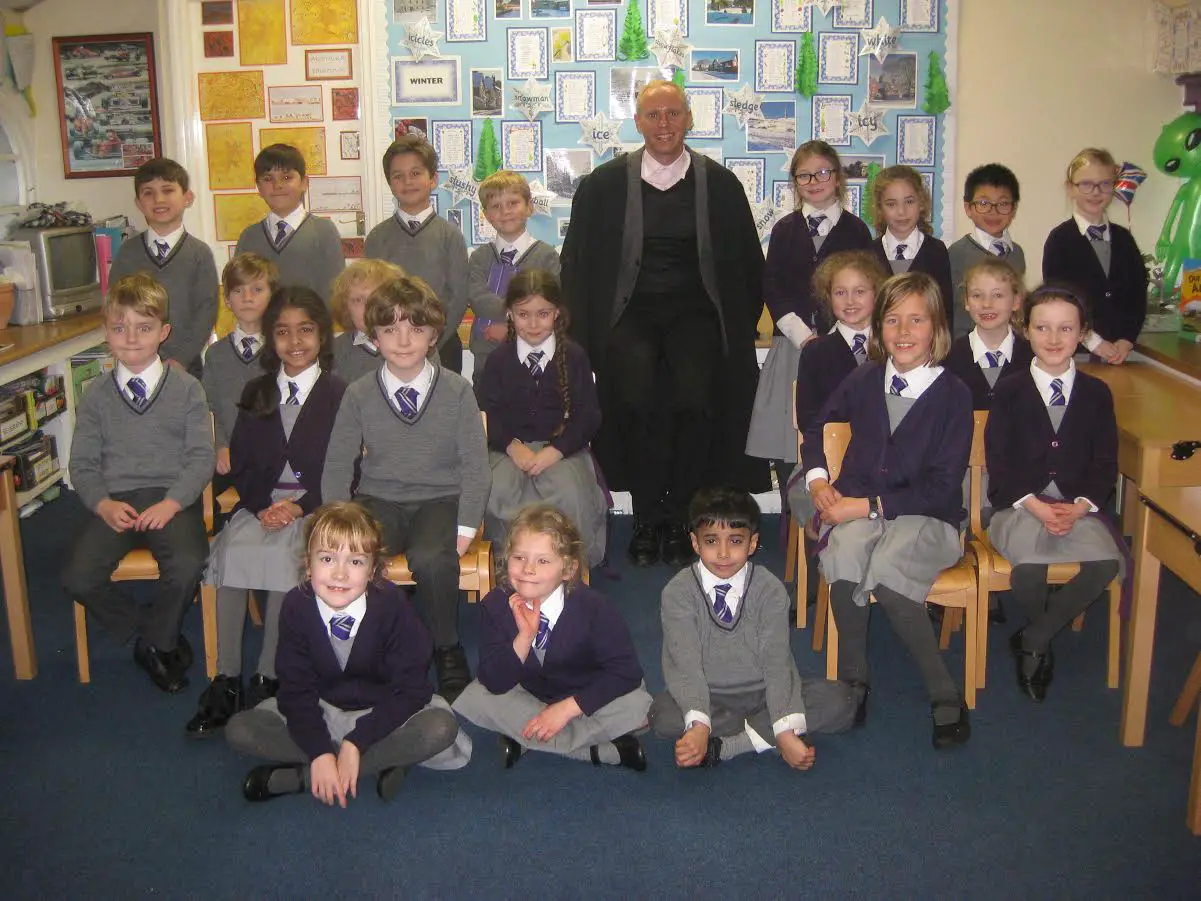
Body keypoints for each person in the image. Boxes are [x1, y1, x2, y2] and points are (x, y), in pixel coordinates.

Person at [561, 80, 767, 569]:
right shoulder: (605, 185)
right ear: (637, 122)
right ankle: (647, 518)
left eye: (674, 113)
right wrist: (583, 340)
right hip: (629, 317)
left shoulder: (719, 185)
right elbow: (578, 265)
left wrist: (736, 332)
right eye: (653, 115)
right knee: (637, 401)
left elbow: (747, 266)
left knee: (694, 403)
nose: (665, 124)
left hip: (696, 315)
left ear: (689, 119)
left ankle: (681, 518)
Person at [802, 271, 973, 749]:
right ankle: (856, 680)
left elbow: (941, 486)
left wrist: (871, 505)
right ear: (878, 329)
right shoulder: (865, 377)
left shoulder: (954, 394)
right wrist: (818, 481)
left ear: (937, 328)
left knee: (894, 579)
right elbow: (817, 429)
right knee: (843, 562)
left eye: (916, 320)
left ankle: (944, 692)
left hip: (927, 515)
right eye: (892, 320)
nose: (902, 332)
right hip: (860, 507)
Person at [225, 502, 471, 804]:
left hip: (384, 712)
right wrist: (319, 750)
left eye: (355, 562)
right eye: (327, 558)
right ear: (308, 563)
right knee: (240, 729)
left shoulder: (392, 606)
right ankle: (379, 762)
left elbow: (411, 690)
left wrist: (356, 743)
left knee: (440, 728)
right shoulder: (296, 607)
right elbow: (296, 690)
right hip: (324, 711)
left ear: (372, 571)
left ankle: (306, 777)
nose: (339, 574)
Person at [186, 287, 347, 736]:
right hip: (261, 504)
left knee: (283, 559)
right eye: (282, 332)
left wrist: (298, 507)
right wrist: (261, 507)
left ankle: (267, 676)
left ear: (323, 336)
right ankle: (225, 678)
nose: (294, 341)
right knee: (233, 551)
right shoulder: (257, 391)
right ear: (269, 338)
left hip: (315, 506)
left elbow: (344, 465)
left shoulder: (339, 393)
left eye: (305, 330)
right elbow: (242, 461)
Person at [321, 275, 490, 702]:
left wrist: (468, 524)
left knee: (433, 559)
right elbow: (339, 461)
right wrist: (335, 518)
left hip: (440, 499)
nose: (402, 340)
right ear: (373, 336)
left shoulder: (457, 391)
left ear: (434, 335)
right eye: (390, 329)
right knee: (359, 552)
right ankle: (370, 650)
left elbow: (475, 464)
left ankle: (446, 647)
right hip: (379, 499)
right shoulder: (358, 393)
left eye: (415, 329)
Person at [62, 273, 213, 693]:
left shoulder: (187, 390)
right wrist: (102, 504)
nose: (131, 337)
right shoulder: (95, 395)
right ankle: (153, 635)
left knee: (186, 565)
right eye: (119, 327)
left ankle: (154, 643)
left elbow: (200, 457)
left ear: (163, 333)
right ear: (106, 332)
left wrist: (172, 502)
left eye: (143, 327)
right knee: (77, 577)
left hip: (170, 500)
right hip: (115, 502)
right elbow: (84, 464)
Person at [649, 487, 856, 768]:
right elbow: (685, 665)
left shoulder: (768, 589)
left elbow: (777, 662)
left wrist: (783, 727)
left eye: (735, 541)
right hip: (710, 696)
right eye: (711, 541)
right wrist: (698, 721)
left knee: (841, 701)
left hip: (764, 694)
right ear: (695, 544)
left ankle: (729, 746)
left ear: (752, 544)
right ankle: (758, 731)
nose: (723, 553)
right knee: (661, 716)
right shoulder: (678, 592)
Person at [985, 284, 1123, 702]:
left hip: (1078, 508)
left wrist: (1081, 506)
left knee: (1104, 564)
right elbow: (1000, 462)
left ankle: (1035, 639)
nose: (1054, 338)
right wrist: (1035, 506)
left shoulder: (1097, 394)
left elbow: (1105, 463)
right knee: (1028, 570)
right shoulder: (1008, 390)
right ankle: (1038, 643)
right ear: (1025, 330)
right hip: (1019, 506)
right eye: (1042, 328)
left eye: (1066, 328)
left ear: (1082, 334)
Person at [453, 504, 651, 770]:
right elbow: (495, 681)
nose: (528, 569)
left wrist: (567, 709)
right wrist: (524, 638)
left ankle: (528, 738)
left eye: (543, 561)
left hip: (584, 695)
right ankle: (602, 752)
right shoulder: (496, 604)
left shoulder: (595, 608)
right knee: (478, 695)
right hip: (528, 693)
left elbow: (626, 672)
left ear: (568, 570)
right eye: (519, 558)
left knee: (638, 705)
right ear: (506, 558)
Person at [746, 141, 874, 502]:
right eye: (804, 175)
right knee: (792, 436)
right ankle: (795, 522)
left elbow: (866, 284)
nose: (814, 181)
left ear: (837, 178)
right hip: (793, 346)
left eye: (822, 173)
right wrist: (804, 336)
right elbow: (773, 286)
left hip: (848, 347)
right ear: (795, 183)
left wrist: (837, 336)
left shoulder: (856, 231)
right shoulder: (786, 230)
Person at [477, 269, 607, 566]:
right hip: (508, 449)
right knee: (496, 490)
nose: (533, 324)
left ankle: (567, 566)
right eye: (523, 315)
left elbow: (588, 416)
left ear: (557, 314)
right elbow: (486, 413)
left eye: (543, 314)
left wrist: (556, 450)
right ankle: (508, 567)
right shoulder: (498, 360)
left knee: (569, 493)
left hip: (562, 449)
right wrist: (513, 446)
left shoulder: (574, 356)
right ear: (510, 314)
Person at [785, 250, 888, 533]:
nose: (850, 300)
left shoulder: (894, 348)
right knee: (806, 494)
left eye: (859, 291)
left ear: (877, 295)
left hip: (882, 459)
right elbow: (809, 419)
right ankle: (827, 541)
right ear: (828, 297)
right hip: (828, 456)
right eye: (840, 292)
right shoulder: (816, 352)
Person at [364, 135, 470, 374]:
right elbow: (369, 299)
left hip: (441, 347)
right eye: (397, 176)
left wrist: (430, 342)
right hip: (390, 349)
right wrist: (390, 341)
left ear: (433, 179)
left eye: (415, 173)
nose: (407, 182)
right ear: (390, 183)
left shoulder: (450, 236)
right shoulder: (377, 238)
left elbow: (458, 297)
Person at [107, 157, 218, 378]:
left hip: (185, 368)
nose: (158, 199)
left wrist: (181, 359)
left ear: (187, 198)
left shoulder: (199, 254)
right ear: (138, 203)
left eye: (168, 190)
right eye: (148, 193)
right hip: (135, 365)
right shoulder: (127, 253)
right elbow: (115, 309)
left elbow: (206, 311)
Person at [1042, 147, 1148, 365]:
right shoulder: (1060, 239)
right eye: (1086, 184)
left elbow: (1138, 293)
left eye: (1105, 184)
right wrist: (1093, 341)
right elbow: (1060, 298)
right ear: (1071, 189)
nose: (1096, 192)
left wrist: (1127, 338)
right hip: (1076, 352)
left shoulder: (1124, 239)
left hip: (1121, 353)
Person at [202, 252, 278, 523]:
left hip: (273, 456)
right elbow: (210, 408)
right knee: (196, 489)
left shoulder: (283, 351)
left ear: (272, 296)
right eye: (238, 290)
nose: (247, 298)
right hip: (228, 456)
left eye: (257, 290)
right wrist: (221, 446)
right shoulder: (215, 355)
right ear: (226, 300)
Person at [468, 170, 561, 381]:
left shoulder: (547, 256)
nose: (505, 212)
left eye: (513, 203)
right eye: (496, 207)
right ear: (486, 214)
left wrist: (510, 330)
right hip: (487, 359)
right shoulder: (479, 258)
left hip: (535, 358)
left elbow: (548, 302)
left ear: (529, 207)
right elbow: (477, 297)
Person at [234, 143, 344, 305]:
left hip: (311, 327)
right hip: (261, 329)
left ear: (304, 183)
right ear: (258, 187)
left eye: (287, 178)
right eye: (268, 179)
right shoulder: (249, 237)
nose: (277, 185)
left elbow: (334, 292)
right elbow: (240, 293)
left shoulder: (323, 232)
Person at [870, 165, 955, 331]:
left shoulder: (936, 251)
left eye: (909, 201)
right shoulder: (869, 253)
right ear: (880, 208)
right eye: (891, 204)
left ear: (921, 203)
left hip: (926, 350)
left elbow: (945, 312)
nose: (901, 212)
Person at [947, 164, 1027, 340]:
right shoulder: (956, 253)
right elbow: (950, 310)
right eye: (983, 203)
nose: (993, 211)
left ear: (1013, 209)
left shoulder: (1017, 253)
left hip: (1009, 346)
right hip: (967, 348)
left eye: (1003, 204)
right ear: (968, 208)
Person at [942, 258, 1032, 411]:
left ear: (1016, 301)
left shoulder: (1032, 357)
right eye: (977, 296)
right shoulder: (948, 357)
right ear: (966, 302)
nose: (986, 304)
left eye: (997, 295)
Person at [330, 259, 405, 384]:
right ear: (345, 307)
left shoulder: (418, 345)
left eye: (378, 296)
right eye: (358, 300)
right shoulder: (333, 352)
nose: (370, 306)